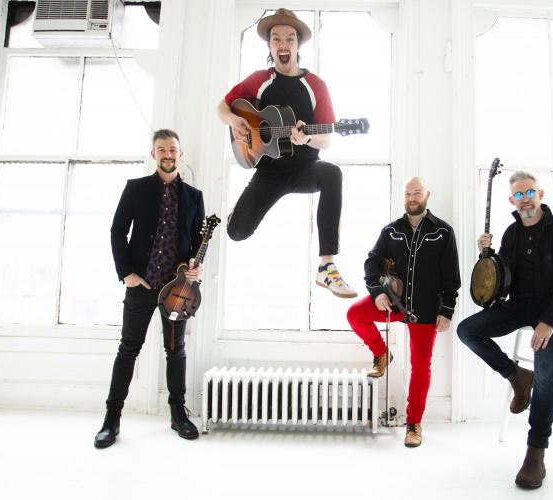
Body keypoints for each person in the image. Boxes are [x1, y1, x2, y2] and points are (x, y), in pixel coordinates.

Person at [216, 7, 356, 299]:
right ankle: (237, 215)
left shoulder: (316, 85)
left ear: (297, 46)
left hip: (304, 169)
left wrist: (305, 138)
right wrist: (234, 121)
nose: (283, 45)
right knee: (237, 233)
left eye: (289, 39)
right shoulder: (259, 80)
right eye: (276, 39)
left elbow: (327, 139)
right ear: (269, 46)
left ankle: (326, 267)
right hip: (268, 172)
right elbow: (223, 107)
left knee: (332, 174)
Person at [457, 170, 553, 488]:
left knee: (543, 371)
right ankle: (515, 375)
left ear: (540, 195)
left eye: (530, 193)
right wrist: (488, 254)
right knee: (468, 330)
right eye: (519, 195)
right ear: (512, 200)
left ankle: (535, 453)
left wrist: (549, 322)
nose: (525, 199)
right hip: (522, 305)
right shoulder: (512, 233)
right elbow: (503, 276)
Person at [94, 129, 205, 448]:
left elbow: (198, 239)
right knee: (128, 349)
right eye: (161, 149)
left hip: (176, 290)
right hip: (141, 286)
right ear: (153, 154)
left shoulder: (193, 196)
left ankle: (177, 416)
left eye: (173, 150)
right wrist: (126, 272)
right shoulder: (136, 189)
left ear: (180, 155)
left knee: (176, 351)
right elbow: (117, 231)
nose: (168, 154)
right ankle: (111, 420)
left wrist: (196, 265)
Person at [346, 177, 460, 447]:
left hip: (425, 309)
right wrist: (377, 292)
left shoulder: (443, 231)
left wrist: (447, 310)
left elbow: (451, 276)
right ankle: (382, 353)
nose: (412, 198)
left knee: (421, 365)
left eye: (417, 193)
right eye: (408, 193)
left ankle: (414, 423)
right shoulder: (391, 230)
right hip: (394, 304)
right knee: (355, 314)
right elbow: (372, 261)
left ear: (427, 195)